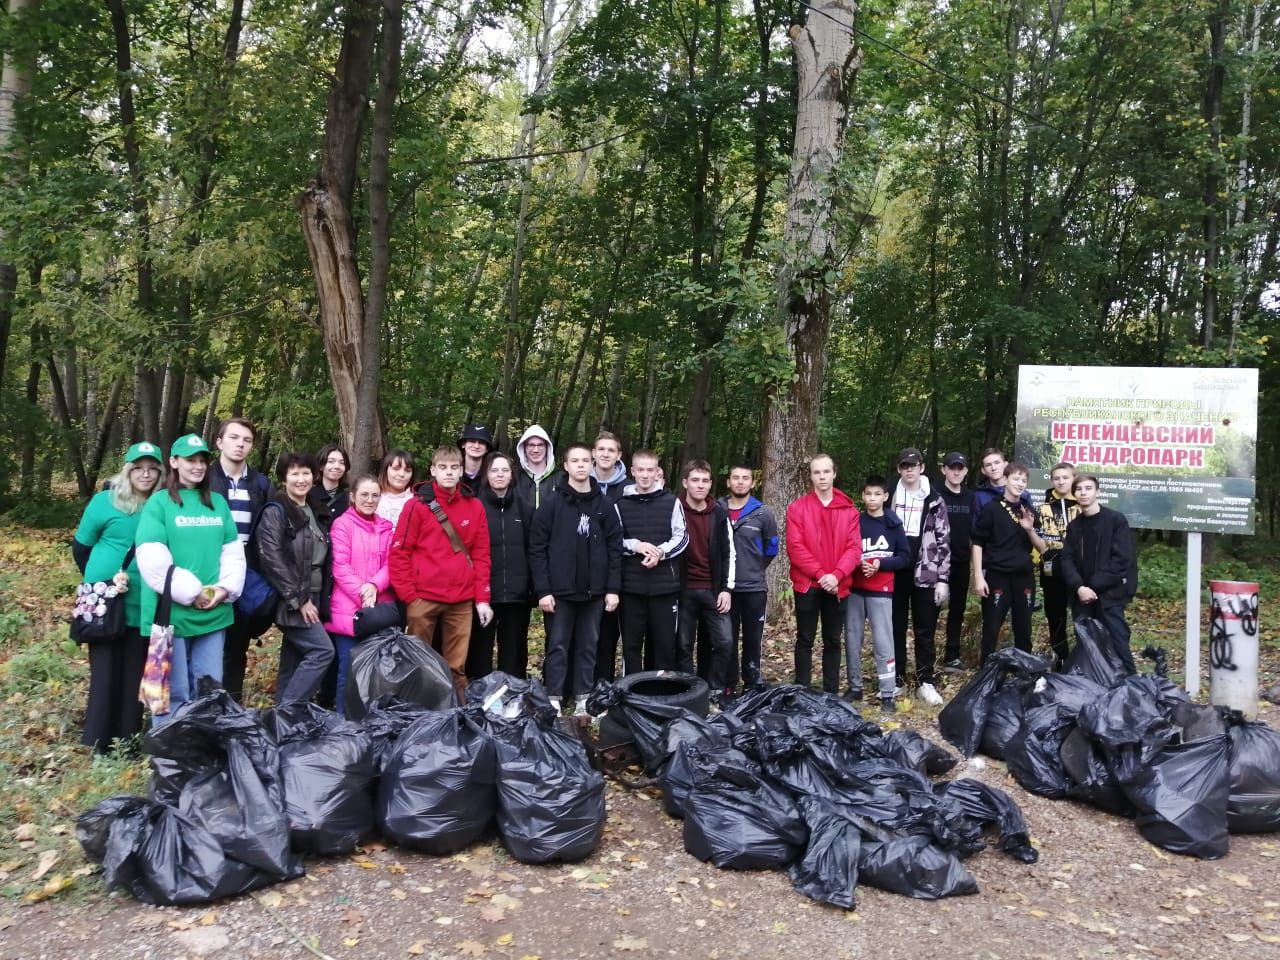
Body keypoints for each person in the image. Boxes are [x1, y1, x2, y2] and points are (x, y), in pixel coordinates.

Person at [135, 433, 245, 724]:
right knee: (173, 689)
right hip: (171, 611)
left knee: (210, 687)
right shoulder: (158, 504)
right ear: (173, 462)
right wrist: (192, 591)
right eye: (190, 460)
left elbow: (232, 551)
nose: (197, 466)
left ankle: (202, 751)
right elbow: (151, 556)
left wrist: (223, 590)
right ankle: (169, 757)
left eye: (202, 461)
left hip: (214, 611)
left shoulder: (217, 504)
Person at [72, 442, 165, 752]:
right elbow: (82, 547)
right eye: (139, 467)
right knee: (104, 671)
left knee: (133, 670)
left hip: (143, 602)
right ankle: (99, 741)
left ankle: (128, 739)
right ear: (128, 470)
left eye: (152, 468)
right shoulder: (104, 502)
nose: (146, 473)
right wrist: (102, 583)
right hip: (105, 601)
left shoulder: (162, 504)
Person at [390, 445, 493, 699]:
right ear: (433, 470)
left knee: (457, 666)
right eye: (443, 468)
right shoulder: (417, 507)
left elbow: (481, 555)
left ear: (462, 471)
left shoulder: (474, 506)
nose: (449, 473)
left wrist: (482, 599)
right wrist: (410, 597)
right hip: (422, 597)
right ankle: (415, 714)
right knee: (417, 662)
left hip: (460, 598)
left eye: (454, 468)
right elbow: (399, 552)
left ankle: (456, 716)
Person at [529, 443, 623, 714]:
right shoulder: (551, 503)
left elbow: (615, 547)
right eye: (575, 461)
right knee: (557, 646)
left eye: (585, 460)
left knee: (588, 645)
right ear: (566, 466)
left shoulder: (604, 505)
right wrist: (543, 590)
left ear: (591, 464)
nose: (581, 465)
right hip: (559, 592)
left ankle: (583, 696)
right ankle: (554, 696)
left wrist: (612, 589)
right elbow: (537, 548)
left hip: (594, 592)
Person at [256, 452, 335, 704]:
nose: (301, 479)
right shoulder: (277, 510)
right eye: (294, 473)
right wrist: (299, 599)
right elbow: (272, 559)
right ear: (283, 478)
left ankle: (281, 724)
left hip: (314, 593)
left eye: (306, 473)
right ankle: (288, 712)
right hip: (292, 598)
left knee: (293, 660)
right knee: (322, 651)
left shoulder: (314, 509)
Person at [209, 417, 275, 703]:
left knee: (236, 644)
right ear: (219, 442)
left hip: (247, 573)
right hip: (209, 569)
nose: (240, 444)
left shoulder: (260, 483)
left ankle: (231, 705)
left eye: (246, 440)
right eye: (234, 438)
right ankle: (203, 703)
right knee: (208, 641)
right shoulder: (204, 479)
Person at [786, 454, 861, 694]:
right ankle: (802, 691)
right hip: (808, 585)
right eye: (817, 472)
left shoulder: (849, 510)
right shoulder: (798, 508)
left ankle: (831, 693)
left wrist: (837, 575)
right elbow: (795, 547)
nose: (822, 477)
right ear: (811, 476)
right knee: (805, 639)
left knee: (832, 640)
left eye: (826, 472)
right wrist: (821, 575)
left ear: (834, 473)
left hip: (837, 585)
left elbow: (854, 548)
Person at [324, 475, 394, 714]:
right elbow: (340, 566)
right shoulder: (342, 525)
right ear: (352, 496)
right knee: (349, 669)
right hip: (348, 610)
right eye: (364, 494)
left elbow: (391, 564)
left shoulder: (386, 527)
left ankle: (370, 722)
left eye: (375, 495)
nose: (370, 500)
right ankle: (343, 722)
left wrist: (374, 585)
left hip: (377, 609)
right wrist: (363, 592)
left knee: (376, 670)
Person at [887, 447, 950, 706]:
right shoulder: (889, 494)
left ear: (922, 467)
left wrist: (943, 579)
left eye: (913, 465)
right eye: (904, 466)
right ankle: (898, 679)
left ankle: (926, 681)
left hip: (926, 570)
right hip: (895, 570)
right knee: (896, 627)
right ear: (899, 469)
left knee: (925, 629)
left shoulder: (934, 498)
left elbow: (944, 539)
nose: (909, 470)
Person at [615, 449, 687, 673]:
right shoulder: (620, 504)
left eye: (650, 470)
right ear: (632, 471)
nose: (645, 475)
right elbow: (614, 540)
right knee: (632, 647)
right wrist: (635, 545)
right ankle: (631, 694)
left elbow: (682, 536)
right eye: (641, 470)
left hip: (664, 588)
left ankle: (661, 694)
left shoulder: (672, 502)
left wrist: (660, 553)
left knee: (664, 647)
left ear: (657, 472)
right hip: (631, 588)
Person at [1059, 475, 1138, 673]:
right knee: (1087, 648)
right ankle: (1095, 693)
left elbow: (1122, 560)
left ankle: (1132, 690)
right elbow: (1066, 560)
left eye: (1088, 488)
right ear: (1074, 493)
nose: (1083, 493)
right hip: (1082, 599)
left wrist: (1092, 587)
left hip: (1109, 597)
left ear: (1098, 492)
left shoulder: (1115, 520)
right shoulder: (1074, 526)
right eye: (1079, 489)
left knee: (1118, 644)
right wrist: (1079, 587)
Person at [971, 461, 1048, 663]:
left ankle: (1024, 674)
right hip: (997, 575)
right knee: (991, 628)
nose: (1020, 483)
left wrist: (1029, 528)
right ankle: (986, 675)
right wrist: (979, 577)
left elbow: (1042, 548)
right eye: (1016, 478)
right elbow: (977, 543)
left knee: (1024, 629)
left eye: (1024, 480)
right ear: (1005, 479)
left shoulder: (1029, 510)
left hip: (1024, 576)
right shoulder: (991, 509)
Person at [845, 475, 910, 712]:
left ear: (885, 496)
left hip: (881, 591)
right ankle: (855, 687)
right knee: (853, 639)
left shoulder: (893, 523)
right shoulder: (856, 522)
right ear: (862, 496)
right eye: (868, 494)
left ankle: (887, 694)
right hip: (855, 589)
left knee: (883, 642)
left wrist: (880, 565)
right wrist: (856, 564)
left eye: (877, 494)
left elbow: (904, 557)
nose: (872, 499)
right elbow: (846, 551)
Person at [469, 452, 534, 679]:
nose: (499, 475)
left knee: (514, 653)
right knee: (480, 652)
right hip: (484, 593)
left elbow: (533, 549)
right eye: (494, 470)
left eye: (504, 470)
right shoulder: (475, 506)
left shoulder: (525, 508)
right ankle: (480, 696)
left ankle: (513, 697)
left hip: (517, 595)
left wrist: (531, 586)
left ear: (511, 474)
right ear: (487, 474)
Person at [675, 460, 735, 704]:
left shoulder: (719, 513)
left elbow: (729, 552)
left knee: (724, 641)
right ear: (685, 482)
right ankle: (690, 692)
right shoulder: (674, 508)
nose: (700, 485)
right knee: (683, 645)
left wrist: (727, 589)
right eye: (695, 480)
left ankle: (715, 688)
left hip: (712, 590)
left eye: (705, 481)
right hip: (683, 590)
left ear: (711, 484)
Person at [717, 464, 778, 691]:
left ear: (753, 483)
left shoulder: (763, 513)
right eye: (736, 477)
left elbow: (772, 549)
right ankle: (728, 685)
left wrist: (752, 568)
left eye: (745, 478)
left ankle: (752, 684)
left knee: (752, 641)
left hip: (753, 589)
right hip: (726, 590)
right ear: (728, 482)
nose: (740, 482)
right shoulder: (717, 509)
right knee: (727, 640)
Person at [590, 431, 629, 683]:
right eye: (601, 449)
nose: (605, 454)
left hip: (620, 566)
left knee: (608, 631)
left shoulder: (628, 488)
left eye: (611, 450)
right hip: (586, 568)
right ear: (593, 453)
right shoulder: (580, 482)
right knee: (584, 630)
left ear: (618, 456)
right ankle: (580, 681)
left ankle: (603, 681)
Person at [1037, 461, 1079, 668]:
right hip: (1051, 571)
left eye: (1065, 477)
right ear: (1052, 480)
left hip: (1079, 572)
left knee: (1081, 616)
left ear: (1073, 478)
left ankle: (1085, 659)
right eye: (1057, 478)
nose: (1061, 482)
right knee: (1055, 616)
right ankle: (1060, 658)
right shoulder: (1043, 508)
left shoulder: (1082, 505)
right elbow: (1034, 540)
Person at [938, 451, 973, 672]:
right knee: (931, 610)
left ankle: (952, 655)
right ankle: (927, 657)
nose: (956, 471)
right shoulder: (934, 494)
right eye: (952, 467)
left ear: (966, 471)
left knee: (957, 609)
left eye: (960, 468)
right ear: (944, 469)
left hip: (961, 561)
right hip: (936, 562)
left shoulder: (971, 498)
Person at [514, 425, 558, 512]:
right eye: (531, 445)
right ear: (524, 448)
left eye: (540, 445)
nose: (536, 450)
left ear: (547, 447)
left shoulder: (561, 478)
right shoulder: (514, 479)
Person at [376, 449, 416, 529]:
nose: (401, 474)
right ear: (385, 470)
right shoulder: (373, 497)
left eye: (407, 471)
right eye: (396, 468)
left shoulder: (417, 500)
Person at [311, 443, 351, 519]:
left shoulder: (350, 497)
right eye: (331, 461)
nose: (337, 466)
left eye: (342, 463)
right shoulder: (309, 497)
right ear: (321, 466)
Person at [458, 424, 495, 495]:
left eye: (481, 442)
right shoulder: (452, 471)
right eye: (472, 441)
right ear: (463, 444)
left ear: (487, 448)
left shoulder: (492, 475)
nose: (476, 446)